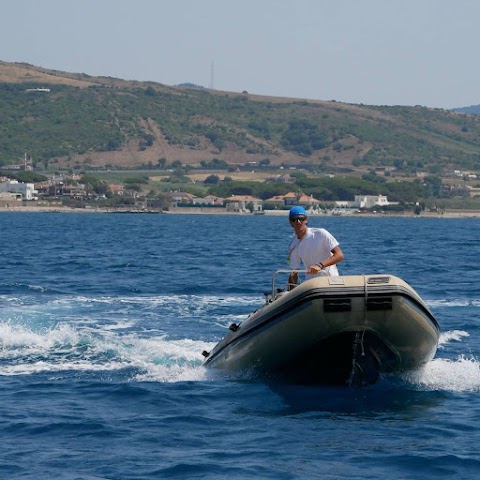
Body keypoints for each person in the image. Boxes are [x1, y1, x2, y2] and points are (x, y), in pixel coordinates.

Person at [287, 206, 344, 289]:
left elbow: (339, 255)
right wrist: (289, 293)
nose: (298, 222)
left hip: (330, 280)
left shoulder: (320, 234)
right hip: (311, 285)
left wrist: (319, 265)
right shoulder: (293, 245)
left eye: (301, 218)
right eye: (294, 219)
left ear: (306, 220)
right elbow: (294, 273)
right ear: (290, 222)